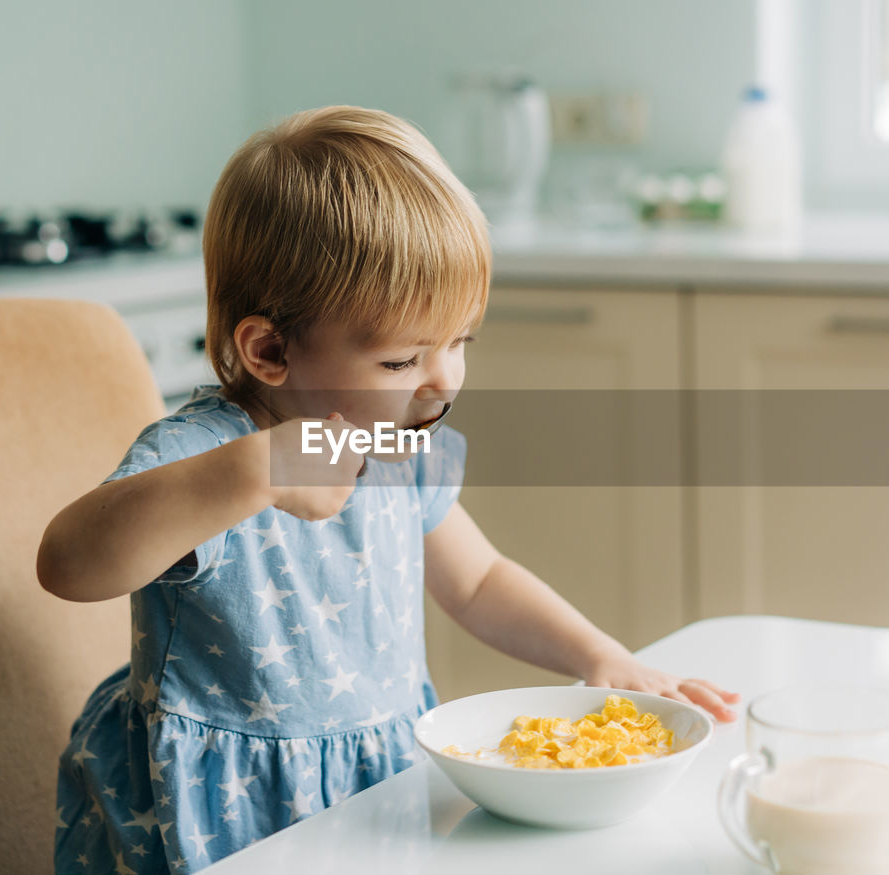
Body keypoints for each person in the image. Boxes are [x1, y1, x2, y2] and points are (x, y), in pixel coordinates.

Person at [39, 105, 739, 873]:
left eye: (460, 341)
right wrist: (252, 469)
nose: (445, 378)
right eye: (405, 360)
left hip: (376, 777)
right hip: (223, 811)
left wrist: (598, 654)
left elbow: (479, 581)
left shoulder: (398, 449)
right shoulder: (207, 452)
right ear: (269, 349)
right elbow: (70, 562)